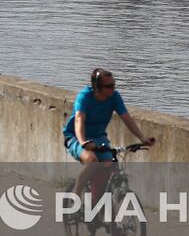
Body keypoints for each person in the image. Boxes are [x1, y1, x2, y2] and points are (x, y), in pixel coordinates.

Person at [62, 68, 154, 206]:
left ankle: (97, 204)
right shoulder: (85, 96)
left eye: (114, 84)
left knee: (110, 166)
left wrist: (142, 138)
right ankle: (76, 194)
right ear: (97, 87)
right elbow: (79, 119)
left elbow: (126, 117)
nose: (113, 88)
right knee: (93, 161)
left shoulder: (114, 97)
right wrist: (83, 142)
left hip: (99, 138)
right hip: (76, 137)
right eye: (109, 86)